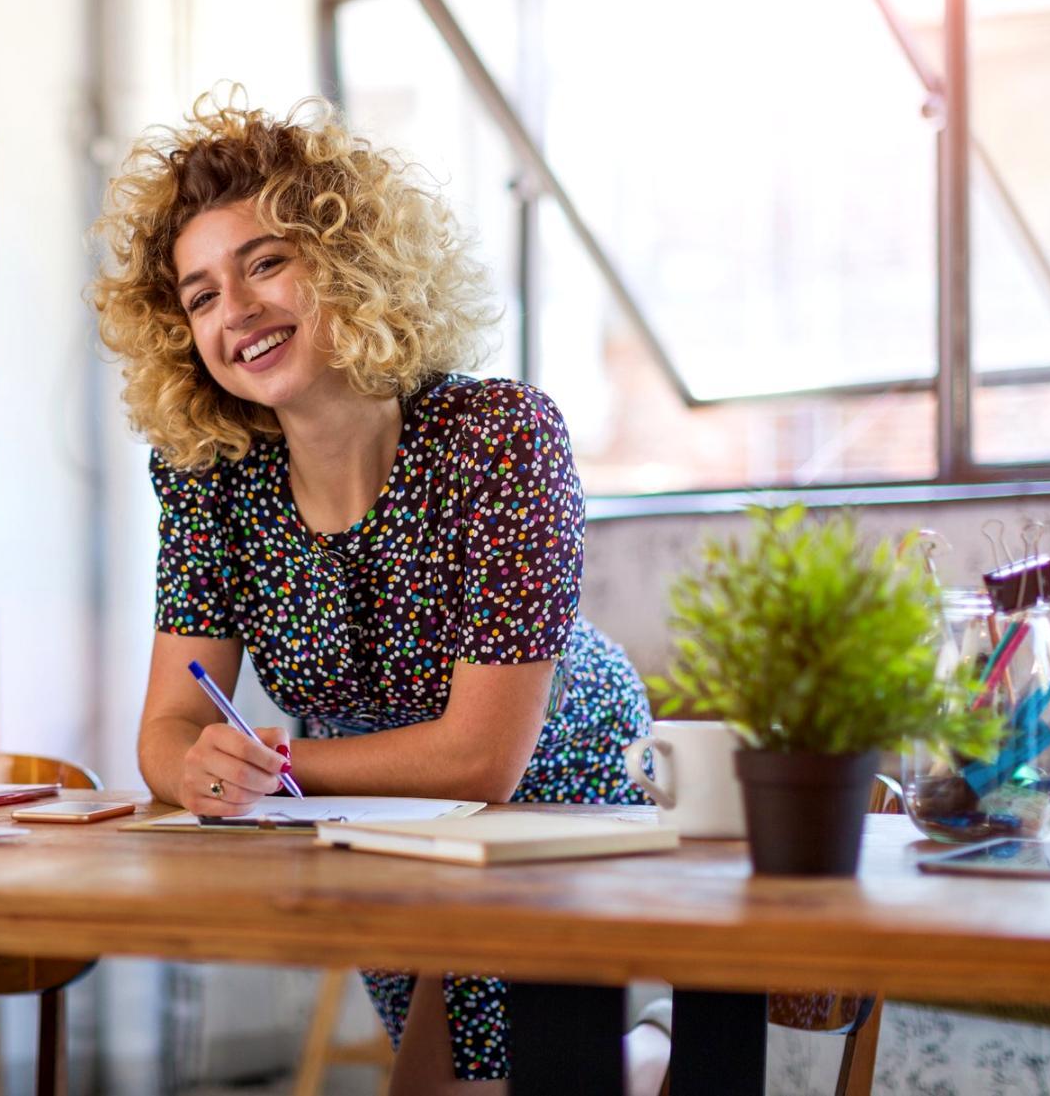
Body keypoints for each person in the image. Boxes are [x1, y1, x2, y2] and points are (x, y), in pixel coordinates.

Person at [91, 93, 668, 1094]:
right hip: (369, 821)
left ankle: (652, 1049)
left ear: (347, 261)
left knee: (476, 1080)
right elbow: (166, 727)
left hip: (555, 799)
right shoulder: (209, 475)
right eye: (201, 295)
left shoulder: (500, 437)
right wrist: (199, 769)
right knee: (449, 1079)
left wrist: (270, 770)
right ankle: (646, 1057)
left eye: (265, 262)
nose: (236, 310)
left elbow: (482, 759)